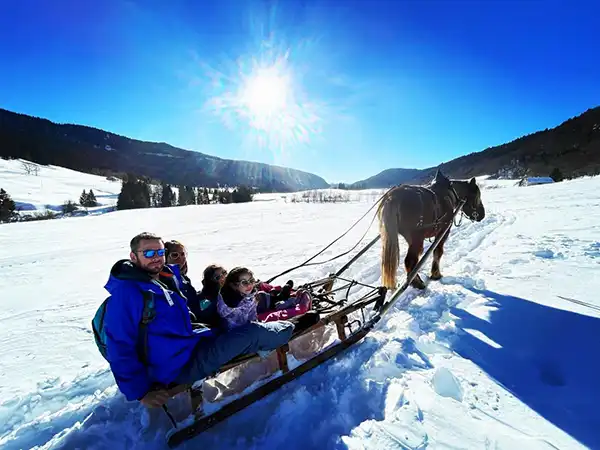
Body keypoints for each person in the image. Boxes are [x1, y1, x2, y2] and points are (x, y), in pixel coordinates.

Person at [101, 232, 295, 408]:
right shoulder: (128, 293)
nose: (156, 258)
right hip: (178, 366)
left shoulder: (160, 281)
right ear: (133, 257)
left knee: (237, 329)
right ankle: (292, 328)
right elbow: (119, 345)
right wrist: (141, 393)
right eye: (148, 253)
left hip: (189, 347)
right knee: (253, 332)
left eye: (160, 252)